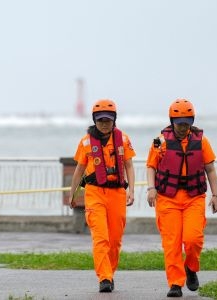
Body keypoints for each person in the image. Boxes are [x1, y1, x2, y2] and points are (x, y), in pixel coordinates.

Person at [145, 98, 217, 297]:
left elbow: (210, 169)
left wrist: (215, 195)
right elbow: (151, 166)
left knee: (193, 239)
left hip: (194, 197)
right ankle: (175, 284)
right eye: (179, 123)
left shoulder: (202, 141)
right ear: (172, 122)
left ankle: (191, 268)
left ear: (192, 122)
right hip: (167, 198)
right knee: (172, 242)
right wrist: (151, 188)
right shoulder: (160, 141)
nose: (182, 127)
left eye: (187, 123)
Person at [67, 99, 136, 293]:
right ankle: (104, 277)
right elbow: (79, 169)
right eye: (100, 120)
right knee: (100, 238)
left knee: (114, 240)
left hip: (117, 194)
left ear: (114, 120)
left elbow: (129, 166)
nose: (104, 124)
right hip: (95, 193)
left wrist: (132, 190)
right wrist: (72, 193)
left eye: (108, 120)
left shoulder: (123, 139)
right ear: (94, 120)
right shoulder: (86, 142)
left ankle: (110, 273)